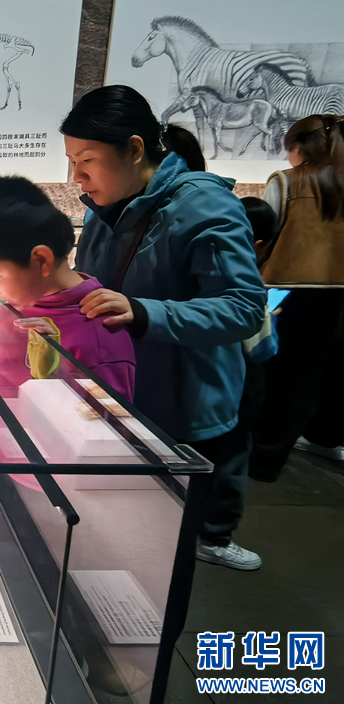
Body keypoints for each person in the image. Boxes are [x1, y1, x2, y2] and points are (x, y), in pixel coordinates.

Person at [61, 85, 267, 571]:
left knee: (170, 544)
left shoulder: (205, 205)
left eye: (87, 161)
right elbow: (93, 285)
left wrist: (145, 312)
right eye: (72, 162)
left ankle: (204, 548)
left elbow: (243, 307)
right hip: (122, 392)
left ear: (134, 149)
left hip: (183, 402)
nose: (77, 176)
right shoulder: (102, 208)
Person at [0, 176, 136, 489]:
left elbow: (109, 434)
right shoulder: (20, 302)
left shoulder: (100, 332)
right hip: (4, 452)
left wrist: (52, 374)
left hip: (52, 482)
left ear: (40, 260)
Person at [250, 115, 344, 479]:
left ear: (298, 147)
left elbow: (266, 235)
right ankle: (278, 455)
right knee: (310, 377)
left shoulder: (286, 181)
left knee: (270, 370)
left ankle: (258, 454)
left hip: (283, 288)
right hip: (335, 295)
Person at [237, 197, 280, 434]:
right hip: (240, 385)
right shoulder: (250, 284)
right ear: (259, 245)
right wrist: (270, 316)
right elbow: (262, 349)